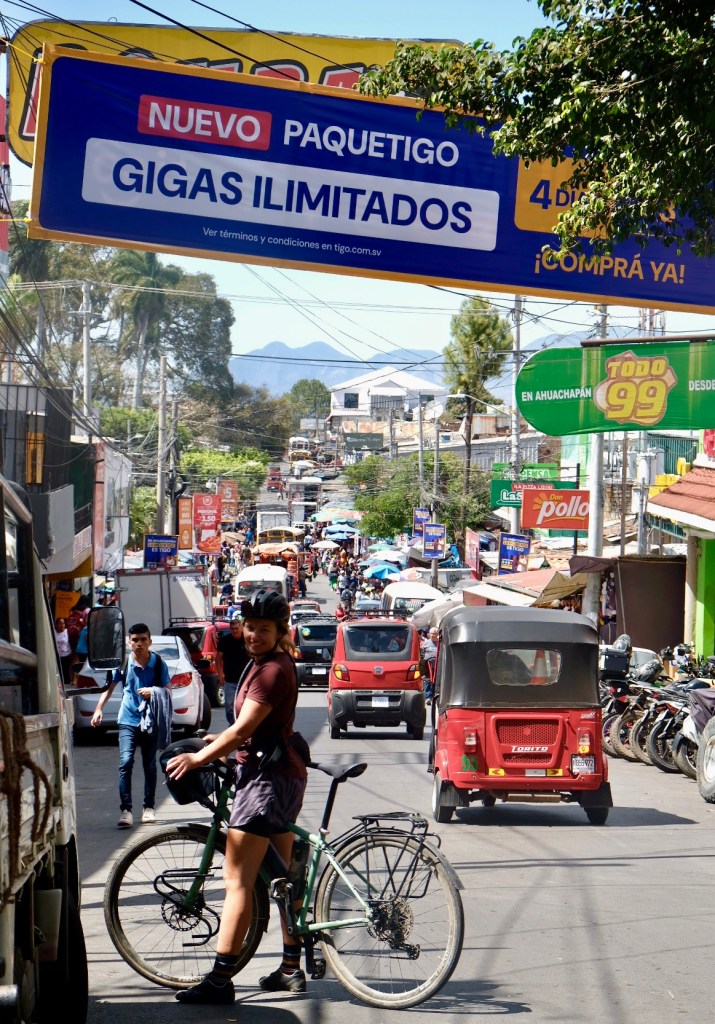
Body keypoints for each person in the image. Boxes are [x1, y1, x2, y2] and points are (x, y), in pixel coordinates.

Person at [165, 589, 308, 1005]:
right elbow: (252, 728)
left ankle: (220, 980)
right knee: (282, 880)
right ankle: (290, 968)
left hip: (265, 783)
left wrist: (198, 758)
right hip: (281, 775)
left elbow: (244, 729)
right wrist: (222, 741)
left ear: (280, 632)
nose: (254, 635)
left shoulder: (271, 671)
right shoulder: (269, 663)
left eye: (264, 629)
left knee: (238, 882)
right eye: (250, 627)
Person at [91, 622, 170, 828]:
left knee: (149, 765)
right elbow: (109, 687)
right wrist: (99, 708)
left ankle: (148, 808)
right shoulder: (124, 664)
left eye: (143, 639)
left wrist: (153, 691)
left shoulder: (158, 664)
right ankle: (126, 810)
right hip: (127, 720)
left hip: (150, 722)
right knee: (125, 762)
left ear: (150, 641)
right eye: (135, 640)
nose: (139, 644)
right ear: (129, 643)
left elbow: (168, 690)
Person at [216, 617, 251, 725]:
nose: (234, 631)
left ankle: (243, 724)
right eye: (232, 629)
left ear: (241, 628)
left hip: (246, 678)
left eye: (236, 628)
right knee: (229, 704)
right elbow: (218, 658)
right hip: (230, 679)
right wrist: (220, 673)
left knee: (245, 704)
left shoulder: (247, 640)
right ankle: (233, 724)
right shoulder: (225, 640)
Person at [420, 627, 439, 704]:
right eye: (431, 633)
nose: (432, 635)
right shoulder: (426, 643)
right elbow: (422, 653)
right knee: (427, 679)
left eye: (434, 633)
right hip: (428, 664)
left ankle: (436, 695)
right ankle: (428, 697)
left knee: (437, 680)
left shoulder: (440, 643)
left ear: (437, 634)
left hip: (438, 664)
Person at [54, 617, 73, 685]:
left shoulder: (67, 632)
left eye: (63, 623)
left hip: (66, 654)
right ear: (56, 625)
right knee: (58, 671)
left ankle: (67, 684)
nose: (62, 625)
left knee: (66, 671)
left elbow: (71, 642)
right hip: (57, 655)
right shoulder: (54, 632)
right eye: (60, 623)